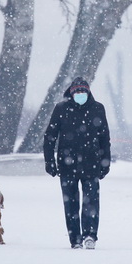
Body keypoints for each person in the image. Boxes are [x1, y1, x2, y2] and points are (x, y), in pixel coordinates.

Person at [44, 77, 111, 249]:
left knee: (91, 202)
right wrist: (49, 161)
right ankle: (75, 239)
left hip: (91, 164)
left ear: (88, 92)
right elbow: (50, 137)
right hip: (67, 165)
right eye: (77, 92)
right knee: (70, 204)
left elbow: (104, 138)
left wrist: (105, 162)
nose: (80, 94)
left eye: (83, 91)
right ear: (72, 93)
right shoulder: (61, 109)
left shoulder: (98, 109)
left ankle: (90, 236)